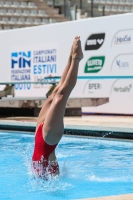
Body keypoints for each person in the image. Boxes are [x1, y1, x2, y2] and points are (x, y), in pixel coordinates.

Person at [32, 36, 83, 179]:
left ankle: (72, 55)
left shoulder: (43, 180)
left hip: (39, 136)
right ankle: (76, 59)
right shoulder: (52, 178)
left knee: (55, 92)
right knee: (61, 94)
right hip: (49, 140)